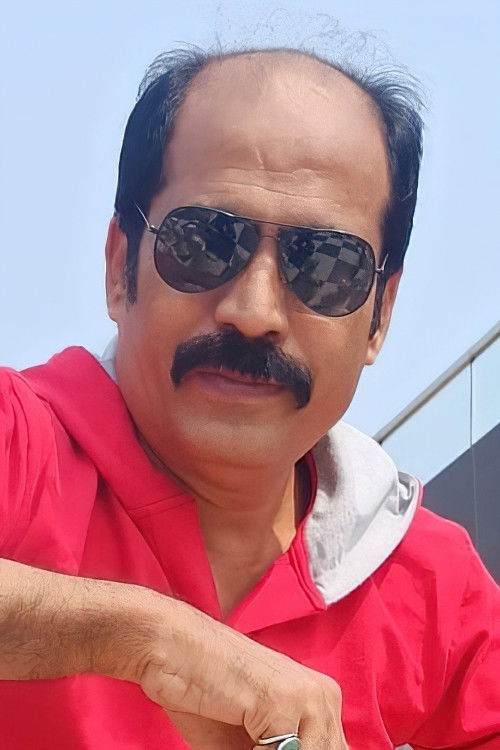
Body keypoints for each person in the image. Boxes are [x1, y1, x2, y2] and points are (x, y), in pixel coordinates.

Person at [0, 45, 498, 750]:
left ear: (380, 315)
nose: (254, 311)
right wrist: (143, 639)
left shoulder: (435, 587)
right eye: (204, 242)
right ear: (119, 269)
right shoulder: (21, 445)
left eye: (325, 264)